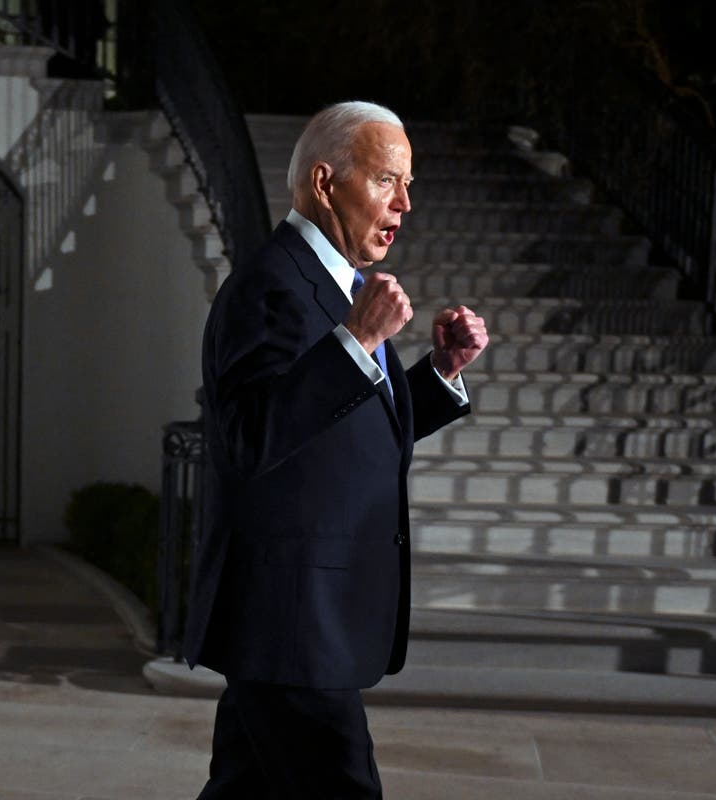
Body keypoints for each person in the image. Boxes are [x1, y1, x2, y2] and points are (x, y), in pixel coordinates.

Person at [185, 101, 489, 799]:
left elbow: (342, 436)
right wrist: (355, 344)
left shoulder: (334, 287)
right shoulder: (270, 285)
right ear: (325, 184)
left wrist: (438, 374)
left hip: (301, 624)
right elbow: (244, 440)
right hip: (293, 625)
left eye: (407, 184)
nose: (405, 203)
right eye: (387, 180)